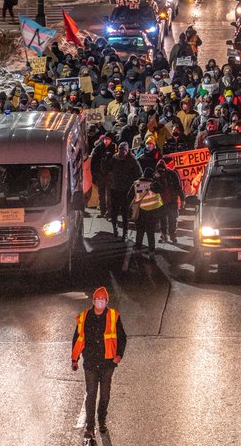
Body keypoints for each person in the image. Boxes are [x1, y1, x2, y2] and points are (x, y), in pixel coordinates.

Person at [71, 286, 127, 440]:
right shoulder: (84, 317)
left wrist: (118, 356)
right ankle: (90, 427)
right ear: (94, 301)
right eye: (98, 299)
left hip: (108, 363)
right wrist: (74, 359)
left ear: (106, 301)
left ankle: (102, 420)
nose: (100, 302)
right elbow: (77, 339)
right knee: (91, 395)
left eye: (103, 300)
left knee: (104, 395)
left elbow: (122, 338)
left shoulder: (114, 316)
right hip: (90, 363)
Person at [107, 142, 140, 240]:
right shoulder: (113, 159)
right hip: (114, 189)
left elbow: (138, 173)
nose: (121, 153)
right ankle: (115, 229)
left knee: (125, 213)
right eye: (120, 150)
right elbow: (105, 169)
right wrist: (106, 159)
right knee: (114, 211)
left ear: (126, 151)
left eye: (123, 151)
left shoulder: (132, 160)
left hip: (126, 190)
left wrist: (131, 183)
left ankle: (125, 233)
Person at [130, 173, 164, 253]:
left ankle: (138, 248)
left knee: (140, 231)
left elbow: (129, 196)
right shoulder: (154, 185)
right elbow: (163, 188)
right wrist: (158, 178)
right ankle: (151, 250)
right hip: (152, 213)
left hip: (140, 212)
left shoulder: (136, 184)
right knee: (150, 232)